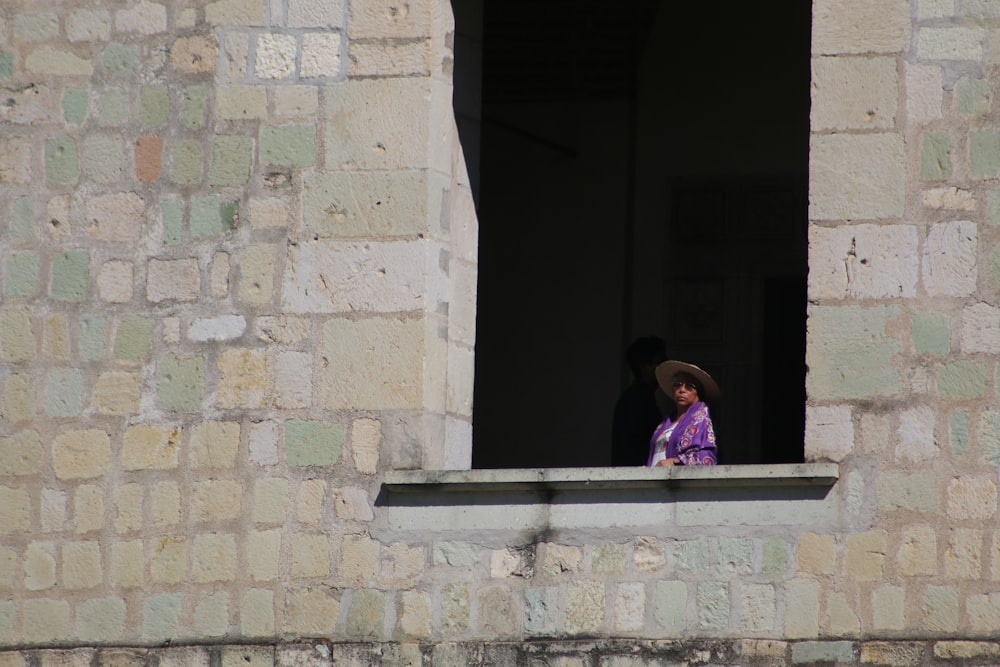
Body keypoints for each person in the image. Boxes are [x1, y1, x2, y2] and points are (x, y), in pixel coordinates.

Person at [647, 360, 720, 467]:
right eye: (677, 385)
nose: (682, 390)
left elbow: (706, 456)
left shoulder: (702, 419)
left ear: (698, 391)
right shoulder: (667, 422)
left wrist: (674, 462)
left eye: (689, 386)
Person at [612, 336, 667, 466]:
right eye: (661, 362)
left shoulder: (639, 396)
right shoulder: (638, 399)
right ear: (645, 367)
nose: (665, 367)